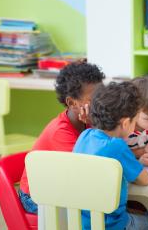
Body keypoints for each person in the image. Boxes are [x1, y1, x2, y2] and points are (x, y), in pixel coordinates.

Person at [19, 61, 105, 214]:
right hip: (35, 197)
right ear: (72, 103)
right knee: (96, 210)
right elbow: (91, 169)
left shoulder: (88, 121)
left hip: (61, 186)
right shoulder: (61, 132)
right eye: (94, 99)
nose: (101, 103)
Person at [73, 81, 148, 230]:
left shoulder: (85, 136)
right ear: (126, 123)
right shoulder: (117, 146)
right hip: (110, 228)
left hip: (81, 225)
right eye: (135, 122)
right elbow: (145, 180)